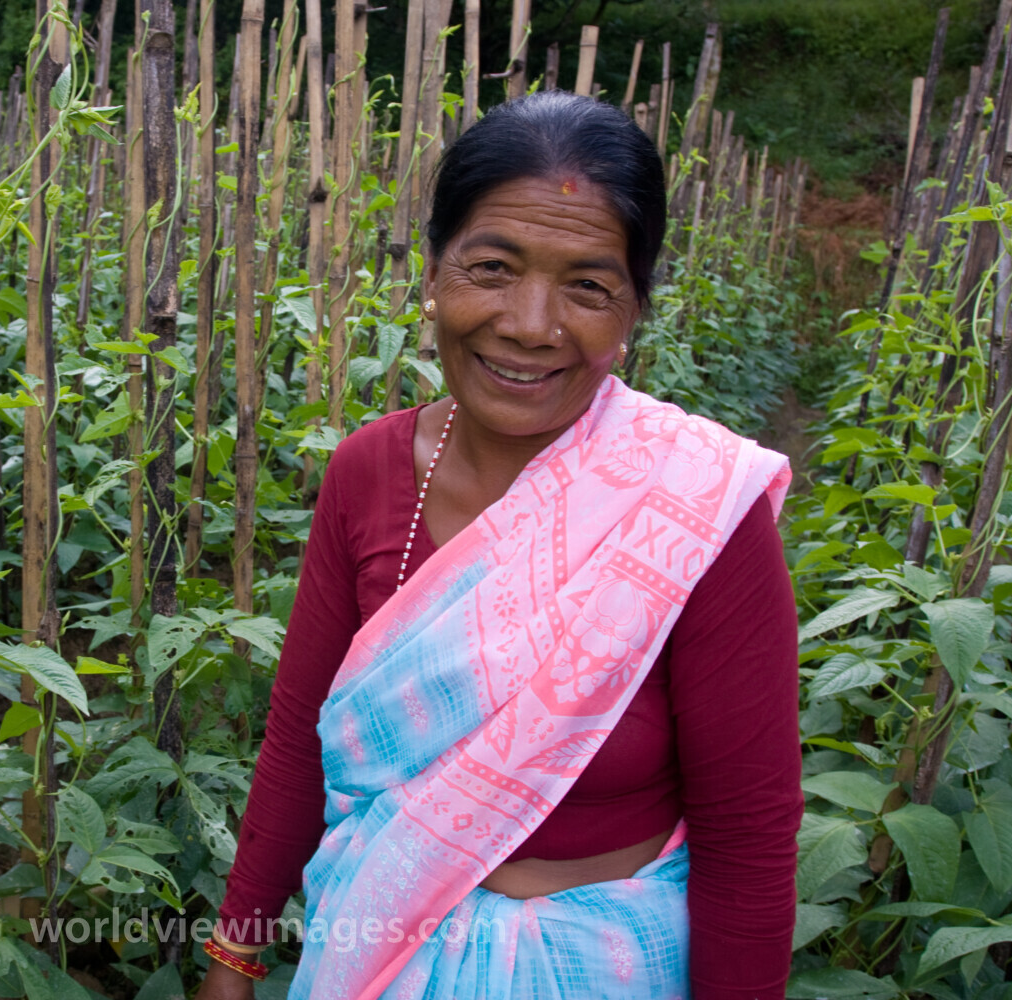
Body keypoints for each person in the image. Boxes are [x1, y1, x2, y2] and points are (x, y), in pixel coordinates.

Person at [196, 91, 802, 1000]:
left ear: (635, 309)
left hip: (607, 971)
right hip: (377, 953)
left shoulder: (690, 504)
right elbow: (298, 738)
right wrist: (236, 957)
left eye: (589, 287)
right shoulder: (368, 474)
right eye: (492, 267)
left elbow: (748, 838)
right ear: (432, 270)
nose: (528, 323)